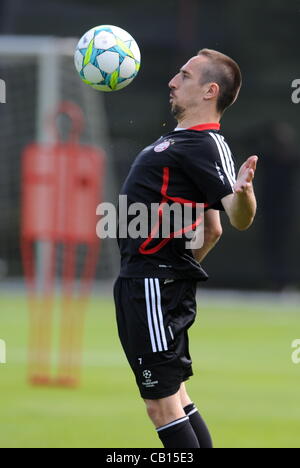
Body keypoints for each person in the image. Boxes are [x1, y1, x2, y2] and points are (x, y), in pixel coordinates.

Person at [113, 48, 258, 448]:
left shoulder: (205, 144)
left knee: (161, 405)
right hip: (151, 285)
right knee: (175, 397)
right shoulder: (180, 142)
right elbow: (211, 230)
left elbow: (235, 216)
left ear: (210, 91)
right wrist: (175, 271)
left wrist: (243, 193)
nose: (172, 81)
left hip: (150, 286)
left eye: (184, 75)